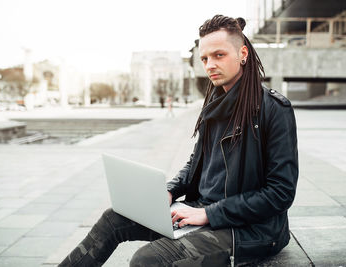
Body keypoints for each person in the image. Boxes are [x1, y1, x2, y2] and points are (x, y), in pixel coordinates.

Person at [59, 14, 298, 267]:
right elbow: (196, 162)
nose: (210, 65)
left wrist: (207, 214)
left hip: (251, 229)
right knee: (113, 218)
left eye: (219, 55)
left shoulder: (273, 109)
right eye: (204, 58)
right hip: (203, 208)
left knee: (147, 260)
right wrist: (170, 191)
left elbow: (280, 193)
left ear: (243, 54)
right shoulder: (214, 106)